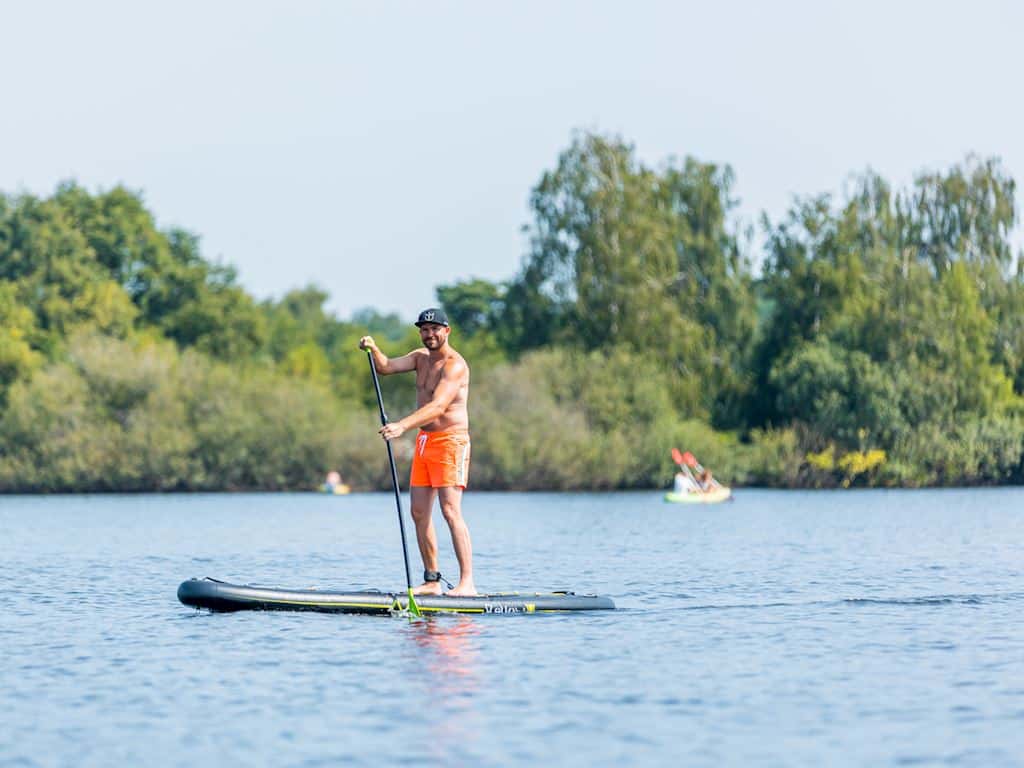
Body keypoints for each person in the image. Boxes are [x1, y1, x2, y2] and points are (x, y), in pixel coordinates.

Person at [358, 308, 477, 597]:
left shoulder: (455, 366)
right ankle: (432, 580)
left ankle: (467, 583)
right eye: (424, 329)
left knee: (450, 511)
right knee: (419, 512)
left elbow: (438, 407)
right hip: (426, 442)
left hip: (451, 442)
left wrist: (401, 426)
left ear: (446, 331)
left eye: (435, 329)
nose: (429, 334)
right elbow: (386, 367)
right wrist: (374, 349)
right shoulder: (419, 358)